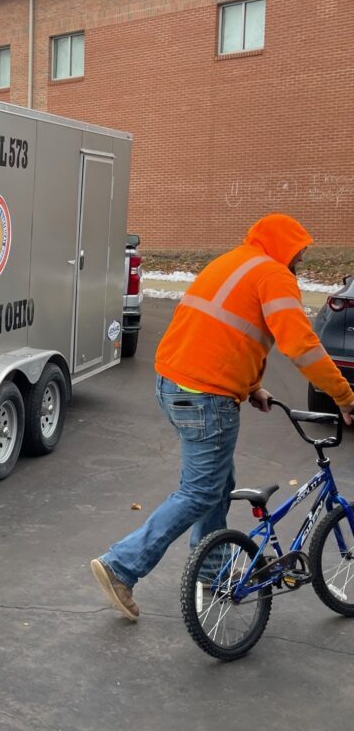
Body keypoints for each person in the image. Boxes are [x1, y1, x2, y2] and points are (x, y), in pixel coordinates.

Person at [91, 213, 354, 620]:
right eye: (299, 254)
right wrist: (343, 396)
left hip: (173, 383)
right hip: (205, 398)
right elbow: (302, 346)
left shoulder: (232, 262)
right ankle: (121, 565)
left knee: (218, 484)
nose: (300, 262)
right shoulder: (273, 275)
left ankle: (212, 573)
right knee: (199, 493)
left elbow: (223, 332)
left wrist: (251, 387)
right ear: (285, 248)